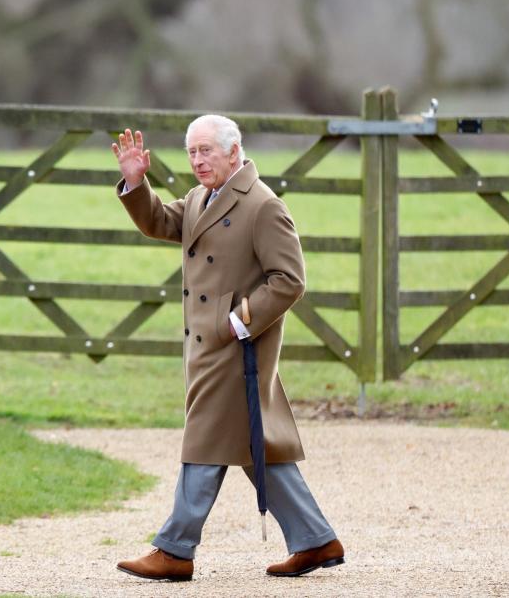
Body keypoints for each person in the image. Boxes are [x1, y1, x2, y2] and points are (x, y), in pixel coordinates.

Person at [110, 115, 344, 581]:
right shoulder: (201, 198)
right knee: (252, 444)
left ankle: (175, 549)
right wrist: (136, 184)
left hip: (238, 348)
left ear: (234, 152)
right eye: (192, 152)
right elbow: (159, 221)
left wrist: (238, 321)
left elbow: (290, 280)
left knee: (205, 440)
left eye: (207, 151)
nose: (197, 160)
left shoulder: (262, 205)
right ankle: (316, 540)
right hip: (210, 345)